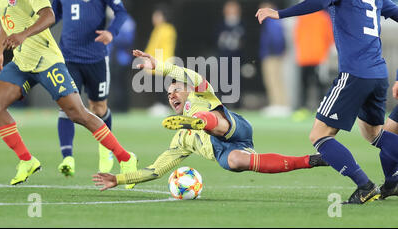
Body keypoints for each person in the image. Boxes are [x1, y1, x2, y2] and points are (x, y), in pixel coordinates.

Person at [256, 0, 398, 204]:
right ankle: (387, 181)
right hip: (378, 74)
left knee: (319, 135)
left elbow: (322, 0)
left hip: (355, 74)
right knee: (374, 134)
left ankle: (364, 185)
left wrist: (280, 13)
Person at [0, 0, 137, 187]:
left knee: (77, 113)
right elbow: (5, 20)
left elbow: (50, 15)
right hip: (22, 61)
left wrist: (23, 35)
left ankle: (125, 157)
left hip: (46, 60)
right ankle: (26, 160)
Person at [91, 49, 328, 191]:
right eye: (168, 94)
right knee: (235, 161)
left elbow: (194, 76)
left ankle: (201, 122)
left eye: (176, 89)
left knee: (209, 119)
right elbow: (155, 171)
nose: (172, 94)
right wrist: (118, 179)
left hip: (233, 127)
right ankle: (312, 160)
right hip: (223, 151)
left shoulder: (201, 94)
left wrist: (160, 67)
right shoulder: (181, 139)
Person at [52, 0, 130, 178]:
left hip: (96, 57)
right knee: (67, 106)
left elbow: (120, 12)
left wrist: (111, 32)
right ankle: (67, 158)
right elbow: (52, 16)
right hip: (69, 57)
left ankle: (106, 150)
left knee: (98, 107)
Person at [292, 8, 334, 121]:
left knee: (307, 85)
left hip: (308, 57)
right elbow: (330, 37)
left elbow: (296, 36)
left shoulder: (304, 17)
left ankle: (304, 109)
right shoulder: (323, 17)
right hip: (316, 57)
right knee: (319, 84)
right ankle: (321, 110)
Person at [144, 4, 177, 116]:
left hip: (163, 61)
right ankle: (160, 104)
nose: (154, 18)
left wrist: (148, 57)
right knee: (158, 84)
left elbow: (156, 46)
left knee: (163, 85)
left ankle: (164, 105)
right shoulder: (158, 29)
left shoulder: (166, 29)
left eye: (157, 16)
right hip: (158, 61)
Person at [258, 2, 290, 117]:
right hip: (275, 54)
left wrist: (273, 51)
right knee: (278, 79)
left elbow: (275, 38)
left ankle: (277, 104)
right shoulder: (277, 21)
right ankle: (282, 104)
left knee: (272, 80)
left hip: (271, 55)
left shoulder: (271, 21)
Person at [215, 0, 245, 108]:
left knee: (237, 81)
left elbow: (245, 42)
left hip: (237, 58)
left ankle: (237, 105)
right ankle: (222, 105)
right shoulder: (221, 24)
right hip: (223, 57)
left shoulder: (242, 24)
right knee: (222, 81)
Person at [107, 12, 136, 113]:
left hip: (122, 58)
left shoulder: (127, 21)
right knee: (114, 83)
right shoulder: (115, 20)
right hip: (114, 57)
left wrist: (113, 37)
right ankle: (116, 105)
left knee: (121, 83)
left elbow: (127, 40)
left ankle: (122, 107)